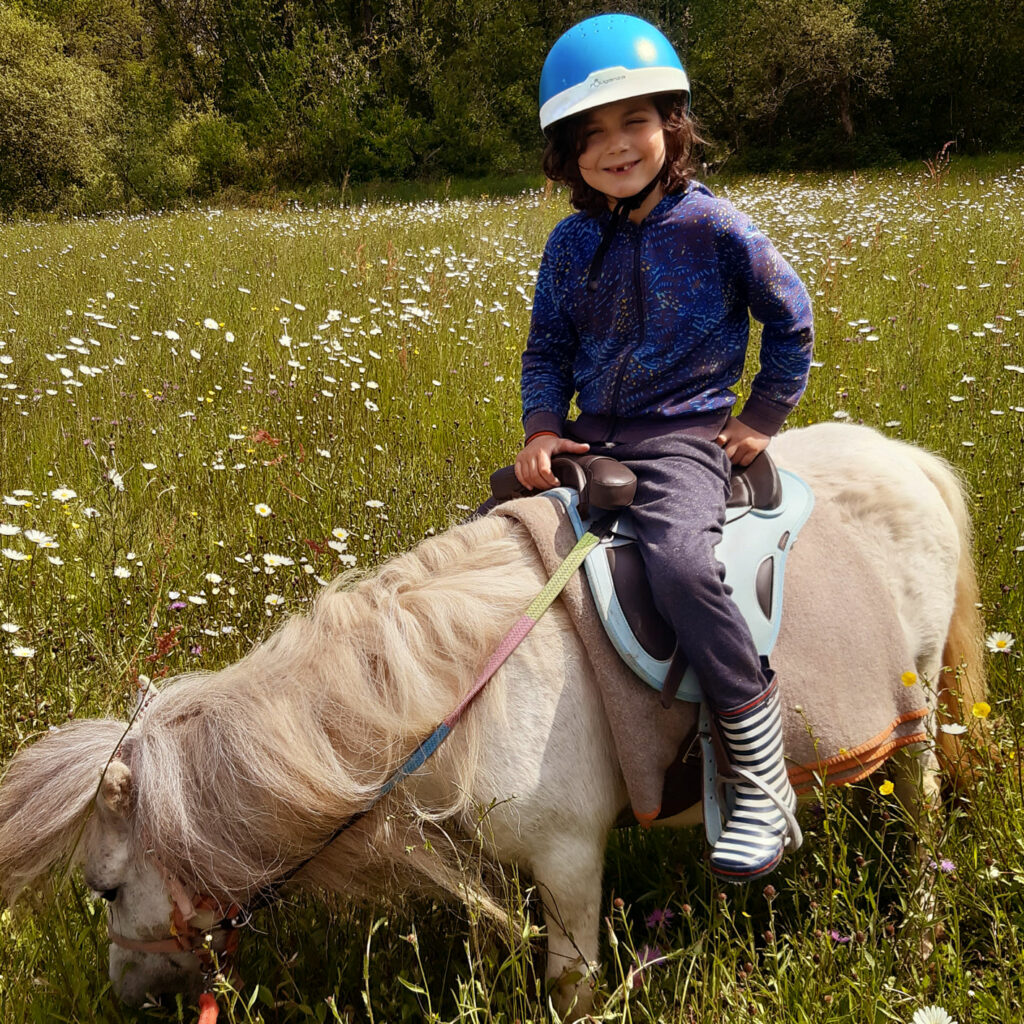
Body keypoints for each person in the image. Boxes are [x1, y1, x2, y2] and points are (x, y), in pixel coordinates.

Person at [514, 13, 814, 881]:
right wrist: (541, 428)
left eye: (634, 122)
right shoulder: (571, 244)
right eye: (591, 133)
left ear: (671, 126)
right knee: (492, 538)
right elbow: (547, 350)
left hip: (681, 438)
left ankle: (756, 767)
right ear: (567, 154)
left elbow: (790, 320)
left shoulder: (715, 228)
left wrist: (761, 414)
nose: (616, 146)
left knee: (683, 563)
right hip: (584, 441)